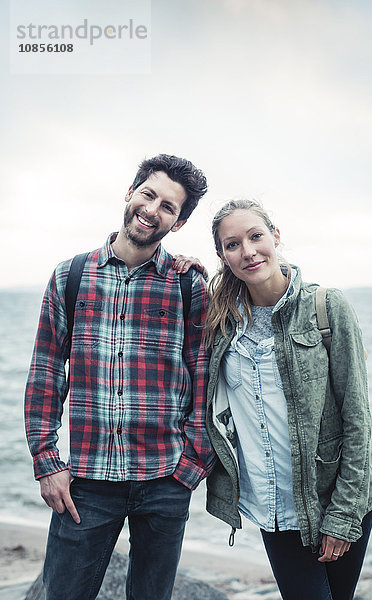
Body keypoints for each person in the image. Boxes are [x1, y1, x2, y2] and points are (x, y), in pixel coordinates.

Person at [24, 154, 215, 600]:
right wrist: (47, 463)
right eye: (149, 194)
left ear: (179, 222)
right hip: (87, 483)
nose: (153, 209)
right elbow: (46, 374)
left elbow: (205, 378)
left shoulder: (188, 286)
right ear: (130, 193)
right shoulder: (70, 277)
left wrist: (192, 465)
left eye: (169, 206)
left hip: (165, 480)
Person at [204, 199, 372, 600]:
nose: (247, 251)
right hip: (276, 511)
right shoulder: (221, 323)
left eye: (255, 236)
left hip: (337, 500)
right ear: (222, 256)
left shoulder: (327, 307)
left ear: (275, 236)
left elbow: (357, 418)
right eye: (232, 245)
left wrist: (344, 515)